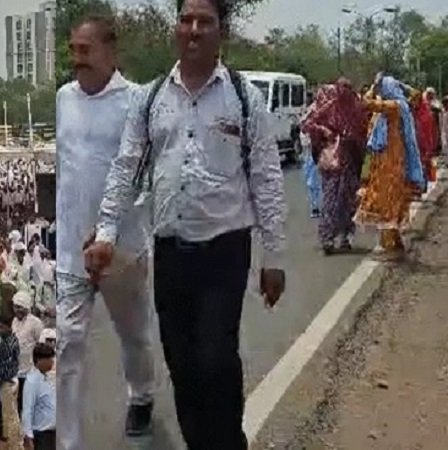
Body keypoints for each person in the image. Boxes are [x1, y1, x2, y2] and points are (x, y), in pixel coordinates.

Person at [84, 0, 287, 448]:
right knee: (182, 364)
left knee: (216, 359)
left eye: (205, 22)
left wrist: (273, 256)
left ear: (221, 32)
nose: (194, 29)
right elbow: (125, 167)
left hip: (225, 249)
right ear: (176, 28)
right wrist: (106, 233)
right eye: (186, 20)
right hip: (170, 252)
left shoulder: (243, 97)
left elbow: (267, 177)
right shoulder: (151, 99)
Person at [55, 15, 156, 448]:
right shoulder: (63, 98)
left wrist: (109, 230)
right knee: (67, 343)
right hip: (71, 250)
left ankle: (142, 394)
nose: (77, 59)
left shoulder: (137, 102)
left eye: (86, 50)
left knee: (133, 335)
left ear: (111, 52)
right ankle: (69, 441)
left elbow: (144, 179)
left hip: (122, 248)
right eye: (73, 50)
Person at [355, 75, 426, 261]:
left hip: (390, 164)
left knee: (387, 203)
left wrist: (373, 86)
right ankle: (395, 244)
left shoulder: (393, 107)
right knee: (391, 203)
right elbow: (417, 95)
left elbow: (365, 103)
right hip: (390, 162)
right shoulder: (401, 105)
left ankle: (390, 249)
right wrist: (403, 86)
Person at [301, 78, 368, 253]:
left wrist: (352, 140)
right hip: (333, 162)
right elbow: (306, 124)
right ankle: (328, 238)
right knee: (331, 200)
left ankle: (345, 236)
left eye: (347, 88)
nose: (344, 92)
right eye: (341, 88)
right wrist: (325, 131)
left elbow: (364, 132)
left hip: (350, 162)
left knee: (348, 201)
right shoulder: (329, 107)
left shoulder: (356, 109)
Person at [0, 313, 21, 450]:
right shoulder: (11, 339)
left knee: (10, 416)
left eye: (1, 327)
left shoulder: (7, 343)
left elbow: (4, 368)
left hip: (7, 381)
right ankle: (12, 443)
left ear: (9, 327)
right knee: (9, 414)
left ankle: (16, 445)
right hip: (11, 380)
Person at [21, 343, 56, 450]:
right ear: (40, 360)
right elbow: (27, 410)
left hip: (52, 433)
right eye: (49, 359)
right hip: (42, 435)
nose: (52, 362)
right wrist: (28, 437)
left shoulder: (46, 378)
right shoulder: (32, 382)